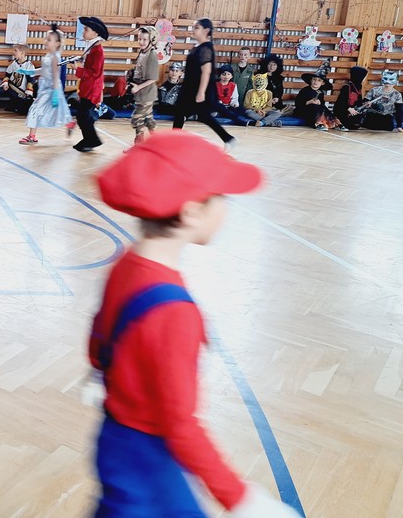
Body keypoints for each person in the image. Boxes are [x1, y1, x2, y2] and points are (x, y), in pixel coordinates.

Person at [90, 130, 299, 518]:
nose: (227, 209)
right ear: (191, 212)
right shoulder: (175, 311)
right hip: (148, 458)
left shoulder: (128, 262)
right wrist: (241, 498)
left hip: (116, 438)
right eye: (221, 198)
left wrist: (101, 372)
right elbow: (180, 424)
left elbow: (100, 331)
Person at [173, 18, 236, 149]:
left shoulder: (206, 48)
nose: (193, 30)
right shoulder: (198, 47)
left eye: (197, 28)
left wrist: (201, 92)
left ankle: (228, 138)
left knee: (201, 115)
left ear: (206, 31)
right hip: (190, 87)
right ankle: (174, 141)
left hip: (198, 89)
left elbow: (206, 72)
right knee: (183, 113)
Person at [21, 24, 72, 145]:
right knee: (60, 109)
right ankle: (70, 124)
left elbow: (55, 76)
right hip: (44, 87)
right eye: (46, 39)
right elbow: (44, 70)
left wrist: (55, 93)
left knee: (35, 109)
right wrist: (30, 72)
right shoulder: (48, 55)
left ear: (57, 43)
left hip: (51, 88)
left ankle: (32, 136)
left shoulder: (55, 57)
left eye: (49, 40)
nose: (46, 41)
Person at [73, 16, 108, 153]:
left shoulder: (97, 50)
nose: (83, 32)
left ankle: (92, 139)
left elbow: (94, 73)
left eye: (86, 29)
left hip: (91, 89)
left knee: (83, 115)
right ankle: (89, 139)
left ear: (95, 33)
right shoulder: (92, 47)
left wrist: (78, 69)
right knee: (83, 116)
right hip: (88, 87)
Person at [127, 25, 159, 146]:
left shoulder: (152, 55)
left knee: (137, 118)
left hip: (147, 94)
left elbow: (153, 78)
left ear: (152, 40)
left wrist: (138, 87)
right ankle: (159, 142)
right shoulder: (142, 52)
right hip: (143, 93)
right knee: (148, 119)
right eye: (139, 39)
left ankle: (139, 145)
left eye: (144, 39)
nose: (141, 42)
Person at [0, 43, 36, 114]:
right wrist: (5, 83)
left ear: (22, 53)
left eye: (15, 50)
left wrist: (28, 92)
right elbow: (7, 75)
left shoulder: (29, 66)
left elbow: (31, 80)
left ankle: (17, 106)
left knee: (22, 109)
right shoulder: (13, 64)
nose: (13, 52)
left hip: (21, 91)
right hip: (11, 88)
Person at [332, 66, 368, 131]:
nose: (364, 78)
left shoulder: (358, 87)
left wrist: (365, 103)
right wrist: (348, 108)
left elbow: (358, 102)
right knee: (350, 124)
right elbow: (340, 103)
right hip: (343, 111)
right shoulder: (347, 87)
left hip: (352, 112)